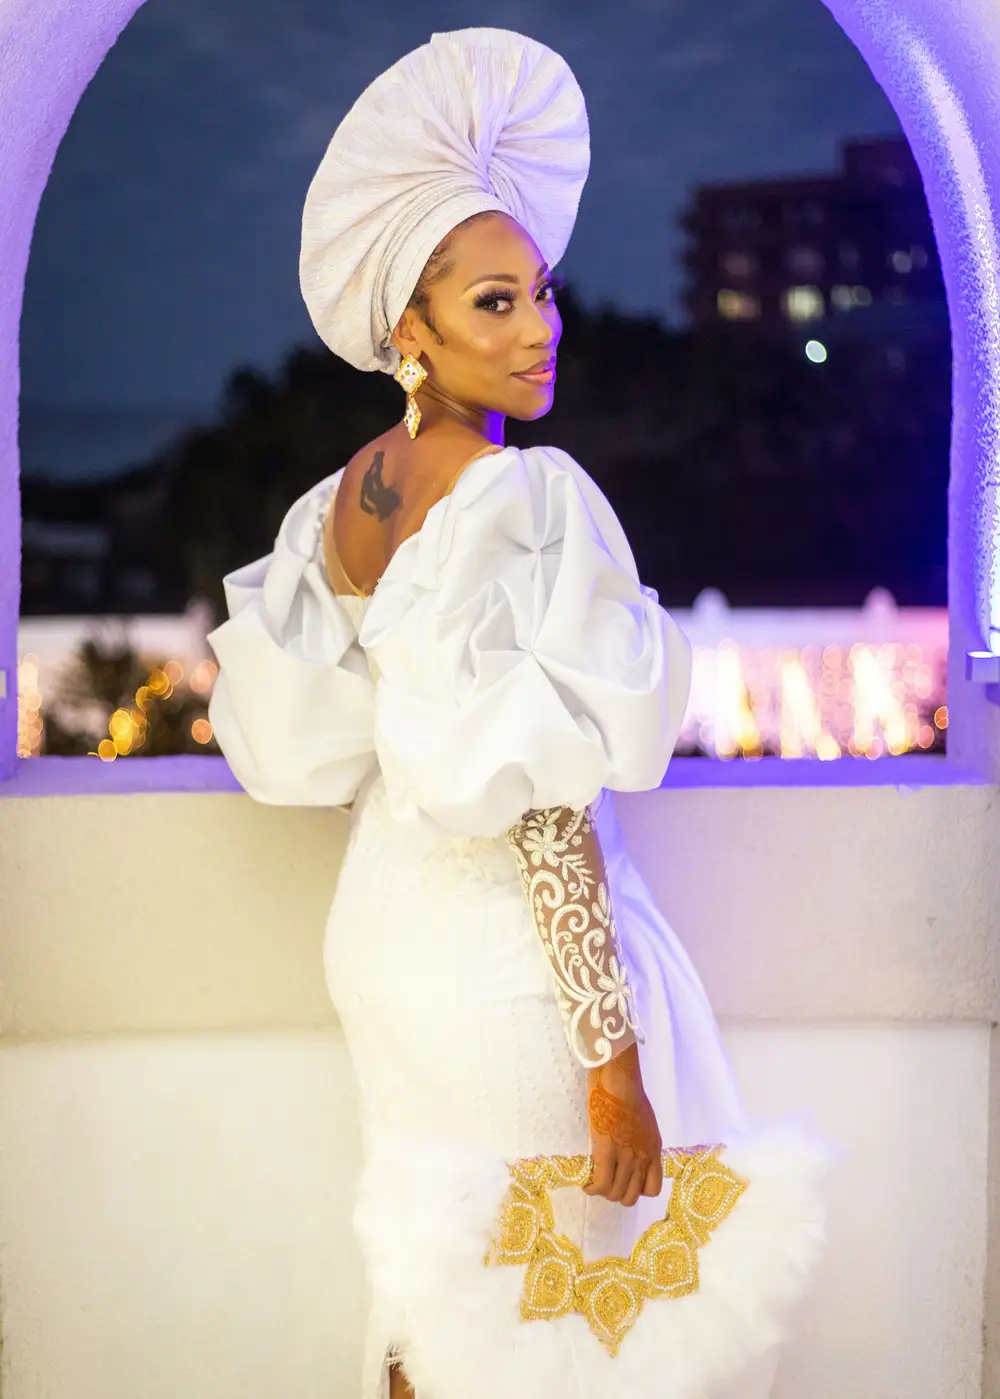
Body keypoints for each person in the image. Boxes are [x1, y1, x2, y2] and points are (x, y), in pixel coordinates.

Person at [206, 27, 829, 1399]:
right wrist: (612, 1063)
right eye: (493, 303)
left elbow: (309, 740)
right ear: (408, 331)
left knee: (439, 1299)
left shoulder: (339, 505)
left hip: (384, 939)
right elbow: (540, 797)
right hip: (504, 972)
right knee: (568, 1329)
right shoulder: (528, 500)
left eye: (541, 292)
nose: (539, 325)